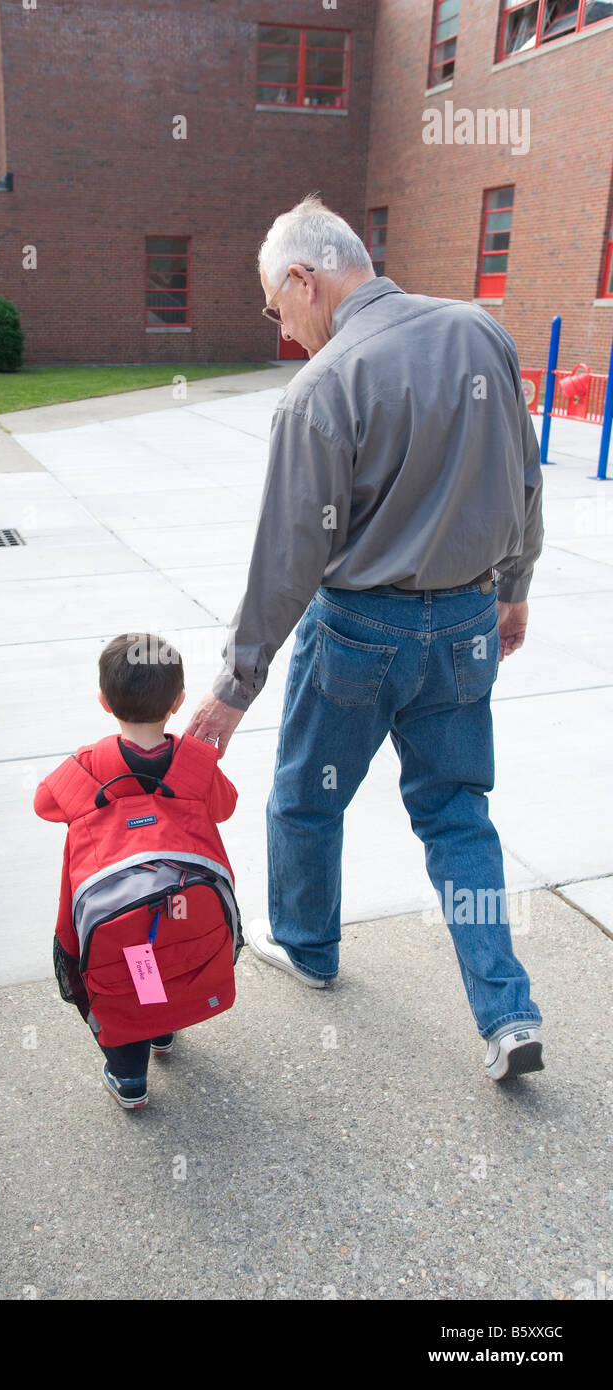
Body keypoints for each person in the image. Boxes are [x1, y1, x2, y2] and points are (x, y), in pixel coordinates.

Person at [185, 192, 544, 1082]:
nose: (285, 332)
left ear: (305, 280)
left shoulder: (321, 389)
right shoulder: (480, 334)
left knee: (307, 797)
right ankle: (507, 1014)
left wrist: (233, 690)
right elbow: (524, 472)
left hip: (360, 634)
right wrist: (516, 587)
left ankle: (307, 947)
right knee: (458, 815)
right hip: (465, 623)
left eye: (279, 309)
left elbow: (286, 559)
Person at [34, 633, 239, 1108]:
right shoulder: (195, 765)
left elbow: (44, 803)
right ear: (180, 701)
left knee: (129, 971)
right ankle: (163, 1028)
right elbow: (225, 807)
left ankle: (130, 1079)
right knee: (167, 951)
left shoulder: (86, 767)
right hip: (184, 908)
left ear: (105, 703)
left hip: (118, 917)